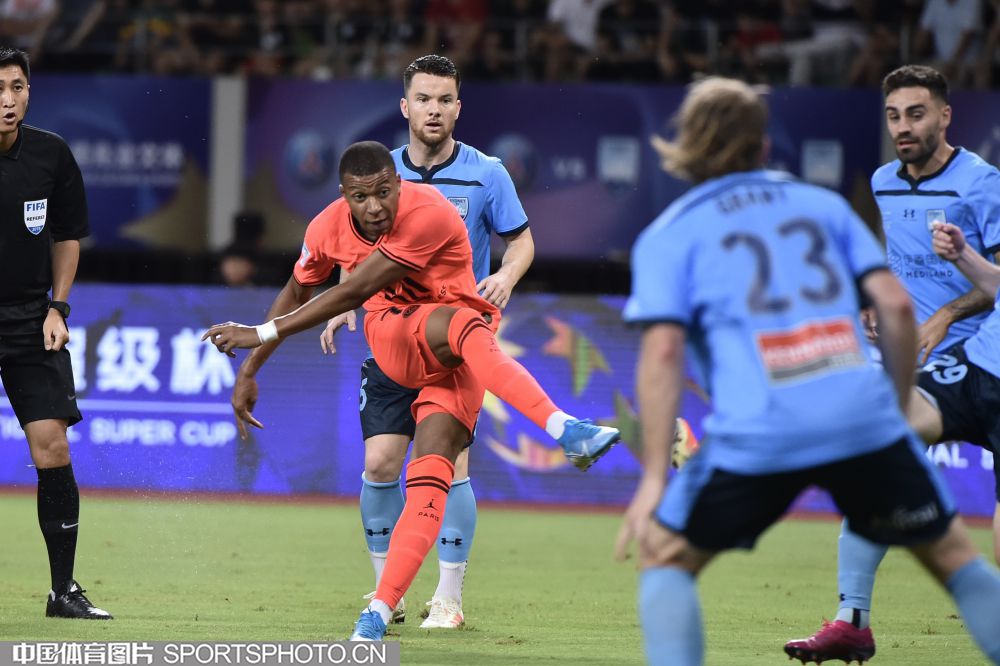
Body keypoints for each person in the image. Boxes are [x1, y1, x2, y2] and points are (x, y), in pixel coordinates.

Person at [615, 76, 1000, 666]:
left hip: (761, 427)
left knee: (664, 556)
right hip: (859, 415)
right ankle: (854, 619)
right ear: (765, 144)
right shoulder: (822, 205)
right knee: (954, 557)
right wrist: (894, 405)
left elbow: (663, 355)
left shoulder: (668, 235)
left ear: (685, 145)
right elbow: (896, 308)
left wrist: (650, 481)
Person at [206, 140, 620, 641]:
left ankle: (379, 613)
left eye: (384, 192)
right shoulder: (325, 228)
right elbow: (302, 289)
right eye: (361, 197)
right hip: (395, 339)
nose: (375, 207)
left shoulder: (429, 213)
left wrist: (258, 333)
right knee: (387, 453)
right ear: (343, 195)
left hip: (455, 357)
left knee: (432, 476)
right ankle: (565, 428)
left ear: (399, 184)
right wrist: (251, 368)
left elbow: (353, 288)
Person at [784, 64, 1000, 663]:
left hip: (982, 354)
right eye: (894, 116)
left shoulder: (982, 183)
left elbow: (999, 281)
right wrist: (878, 301)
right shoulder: (884, 182)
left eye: (916, 114)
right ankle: (851, 619)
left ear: (945, 116)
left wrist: (947, 313)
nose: (903, 127)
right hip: (926, 366)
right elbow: (896, 263)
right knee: (876, 457)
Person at [318, 54, 534, 630]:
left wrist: (506, 276)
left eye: (444, 100)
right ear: (405, 106)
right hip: (391, 337)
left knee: (450, 465)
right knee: (380, 462)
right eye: (423, 99)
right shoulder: (379, 173)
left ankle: (448, 598)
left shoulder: (488, 173)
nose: (433, 110)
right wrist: (343, 301)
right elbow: (353, 245)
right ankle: (387, 591)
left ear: (458, 108)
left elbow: (521, 241)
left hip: (452, 343)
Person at [0, 47, 111, 620]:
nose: (7, 100)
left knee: (53, 446)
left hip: (29, 318)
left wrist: (58, 307)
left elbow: (66, 236)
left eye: (16, 87)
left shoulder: (51, 154)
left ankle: (62, 591)